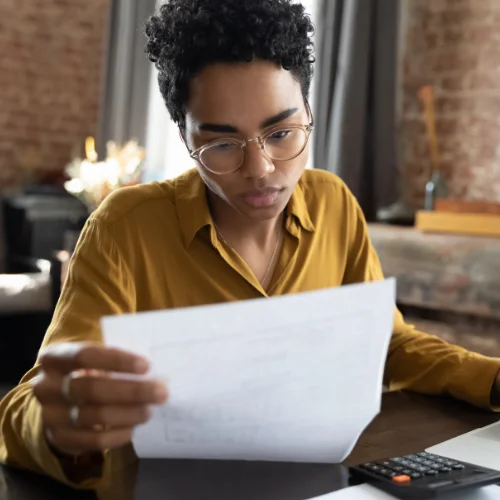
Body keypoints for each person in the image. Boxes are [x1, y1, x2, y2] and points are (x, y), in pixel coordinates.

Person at [1, 0, 500, 490]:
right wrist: (57, 427)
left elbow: (386, 344)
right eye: (221, 144)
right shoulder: (125, 229)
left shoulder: (334, 206)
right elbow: (24, 410)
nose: (260, 168)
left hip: (318, 485)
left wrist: (491, 379)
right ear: (184, 135)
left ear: (309, 111)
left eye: (282, 132)